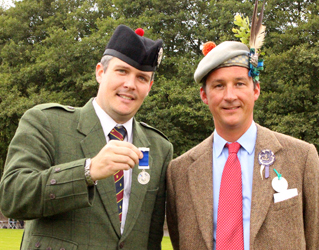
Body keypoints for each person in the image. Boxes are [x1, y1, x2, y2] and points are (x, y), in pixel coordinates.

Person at [0, 24, 173, 250]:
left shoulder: (160, 147)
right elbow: (13, 196)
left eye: (141, 78)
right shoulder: (46, 122)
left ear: (149, 86)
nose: (130, 84)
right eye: (122, 71)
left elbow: (151, 238)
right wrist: (87, 171)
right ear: (100, 72)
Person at [166, 6, 319, 250]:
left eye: (239, 83)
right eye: (218, 86)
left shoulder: (301, 158)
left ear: (255, 89)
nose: (230, 96)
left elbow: (314, 237)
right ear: (204, 96)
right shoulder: (179, 173)